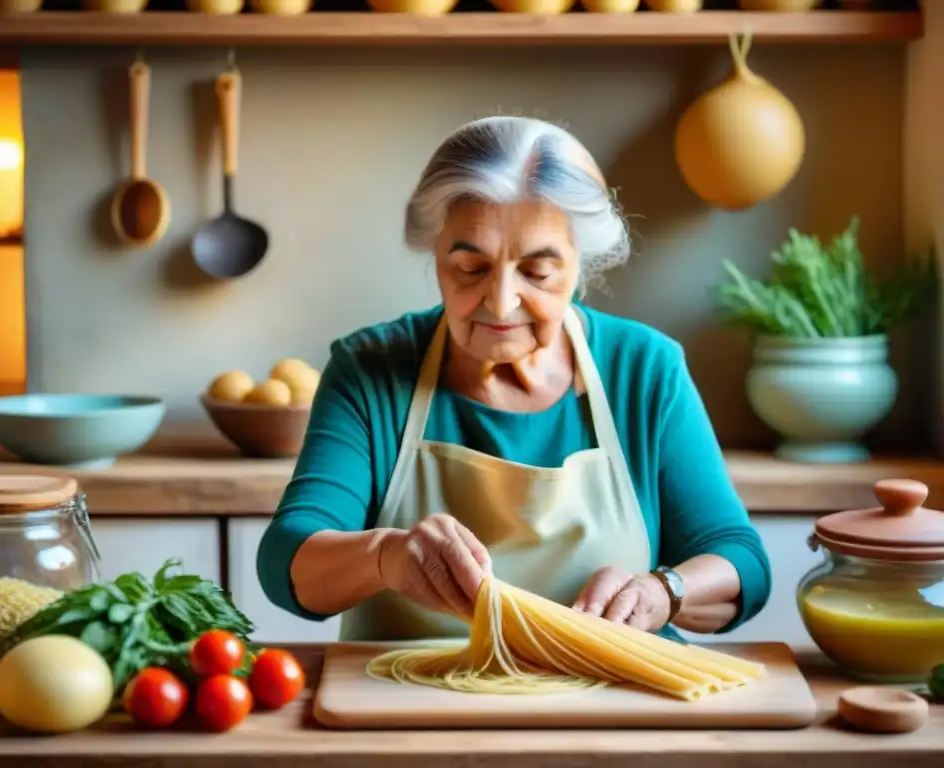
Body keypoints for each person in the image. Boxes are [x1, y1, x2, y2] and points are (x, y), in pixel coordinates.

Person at [257, 116, 772, 643]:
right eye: (470, 267)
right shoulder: (370, 371)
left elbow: (741, 561)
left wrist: (664, 592)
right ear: (435, 253)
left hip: (609, 714)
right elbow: (287, 560)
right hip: (414, 711)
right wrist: (385, 556)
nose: (501, 302)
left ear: (581, 264)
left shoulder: (643, 367)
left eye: (538, 272)